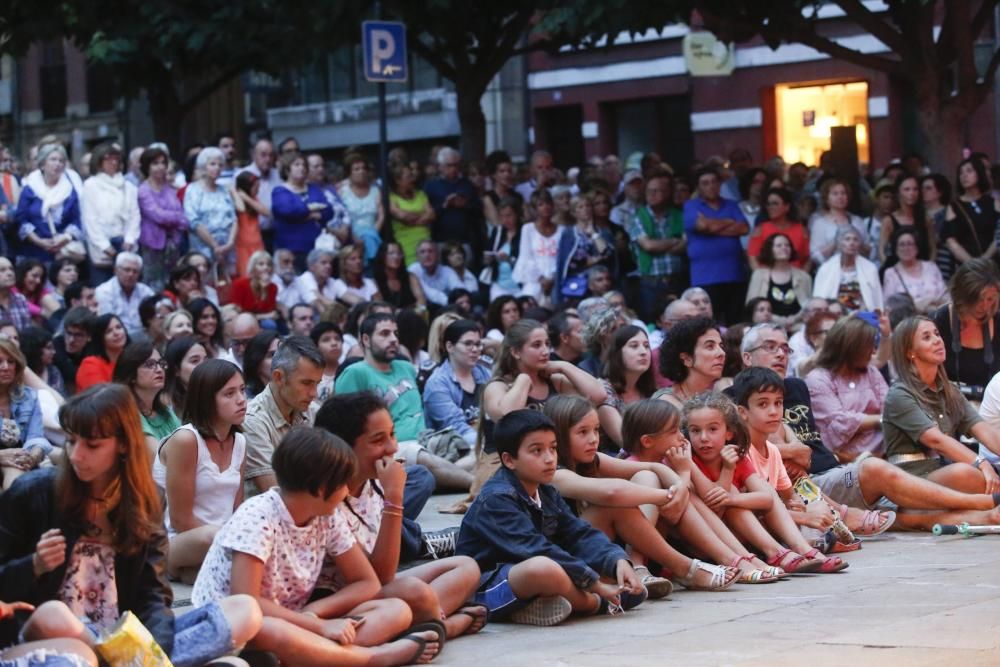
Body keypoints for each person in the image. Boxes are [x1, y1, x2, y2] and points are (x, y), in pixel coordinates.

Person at [0, 384, 262, 666]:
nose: (76, 455)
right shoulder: (34, 494)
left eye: (92, 445)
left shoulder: (141, 503)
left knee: (244, 610)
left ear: (123, 444)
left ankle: (142, 661)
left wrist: (153, 649)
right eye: (71, 441)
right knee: (55, 616)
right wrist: (34, 565)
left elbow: (152, 596)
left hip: (122, 639)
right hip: (55, 641)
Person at [191, 426, 443, 666]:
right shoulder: (257, 517)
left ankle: (308, 656)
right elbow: (246, 602)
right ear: (322, 488)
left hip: (295, 618)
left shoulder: (326, 515)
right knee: (271, 629)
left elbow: (366, 582)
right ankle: (375, 657)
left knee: (396, 611)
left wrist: (314, 614)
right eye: (343, 484)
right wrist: (320, 627)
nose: (346, 492)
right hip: (236, 623)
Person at [742, 322, 1000, 532]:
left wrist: (798, 451)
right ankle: (983, 504)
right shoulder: (748, 396)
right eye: (771, 347)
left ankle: (989, 516)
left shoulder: (796, 387)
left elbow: (806, 451)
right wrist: (981, 462)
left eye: (785, 348)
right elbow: (836, 428)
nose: (780, 354)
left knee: (920, 511)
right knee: (886, 471)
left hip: (843, 471)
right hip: (844, 475)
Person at [314, 393, 485, 640]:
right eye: (378, 440)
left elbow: (386, 578)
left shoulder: (371, 484)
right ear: (343, 447)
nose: (393, 447)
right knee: (415, 592)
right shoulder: (327, 500)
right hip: (340, 600)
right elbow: (380, 576)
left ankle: (426, 622)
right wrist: (394, 498)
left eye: (392, 435)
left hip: (379, 589)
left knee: (466, 567)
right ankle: (442, 627)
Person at [457, 409, 646, 626]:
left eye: (553, 448)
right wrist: (595, 585)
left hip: (533, 575)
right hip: (484, 589)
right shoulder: (496, 499)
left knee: (632, 588)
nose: (549, 459)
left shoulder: (546, 490)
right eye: (537, 451)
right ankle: (595, 604)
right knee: (543, 568)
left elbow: (577, 533)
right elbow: (536, 548)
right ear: (509, 460)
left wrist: (617, 560)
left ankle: (536, 605)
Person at [547, 395, 744, 594]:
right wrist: (668, 493)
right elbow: (612, 493)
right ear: (559, 436)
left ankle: (729, 558)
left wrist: (678, 479)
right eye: (583, 432)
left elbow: (651, 468)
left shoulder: (592, 459)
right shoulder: (555, 474)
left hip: (602, 548)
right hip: (569, 558)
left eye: (596, 430)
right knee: (614, 506)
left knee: (646, 475)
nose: (593, 439)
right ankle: (685, 567)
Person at [684, 391, 843, 574]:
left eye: (712, 429)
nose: (703, 438)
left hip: (742, 535)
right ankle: (776, 553)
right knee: (734, 493)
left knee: (747, 493)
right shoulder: (689, 461)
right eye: (695, 430)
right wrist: (728, 475)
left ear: (728, 432)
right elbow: (714, 505)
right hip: (710, 543)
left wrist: (731, 498)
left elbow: (767, 498)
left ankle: (802, 549)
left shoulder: (737, 457)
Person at [335, 314, 473, 491]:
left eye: (395, 333)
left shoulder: (406, 367)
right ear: (366, 340)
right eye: (385, 334)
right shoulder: (355, 373)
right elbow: (343, 426)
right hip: (391, 447)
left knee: (477, 454)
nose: (393, 339)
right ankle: (475, 484)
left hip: (428, 441)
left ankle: (444, 478)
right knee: (422, 458)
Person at [475, 319, 607, 494]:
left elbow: (598, 396)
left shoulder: (554, 381)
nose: (545, 351)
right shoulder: (498, 386)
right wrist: (523, 380)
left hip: (548, 458)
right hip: (507, 465)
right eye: (536, 345)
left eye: (547, 344)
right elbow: (508, 417)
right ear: (515, 352)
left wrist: (563, 366)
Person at [154, 359, 247, 582]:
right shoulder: (186, 440)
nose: (241, 400)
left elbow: (238, 510)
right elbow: (180, 520)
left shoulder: (240, 441)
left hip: (223, 541)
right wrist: (234, 544)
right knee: (211, 536)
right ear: (207, 400)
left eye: (243, 390)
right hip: (182, 540)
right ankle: (189, 569)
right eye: (229, 394)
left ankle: (200, 573)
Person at [883, 316, 1000, 492]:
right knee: (967, 473)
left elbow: (983, 430)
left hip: (945, 472)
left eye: (937, 334)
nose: (937, 340)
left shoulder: (950, 390)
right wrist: (981, 463)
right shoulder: (899, 394)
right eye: (927, 337)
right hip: (910, 480)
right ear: (910, 352)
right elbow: (936, 440)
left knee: (970, 474)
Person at [243, 335, 322, 495]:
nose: (314, 393)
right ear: (278, 377)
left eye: (317, 383)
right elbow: (276, 494)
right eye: (306, 383)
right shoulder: (252, 420)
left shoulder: (313, 410)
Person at [804, 315, 888, 461]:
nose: (874, 352)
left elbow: (890, 407)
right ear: (852, 347)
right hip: (846, 461)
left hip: (887, 452)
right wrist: (881, 420)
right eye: (869, 345)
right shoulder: (817, 379)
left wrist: (885, 419)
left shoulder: (871, 371)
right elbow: (838, 423)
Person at [683, 168, 748, 325]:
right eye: (705, 183)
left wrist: (711, 224)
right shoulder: (691, 206)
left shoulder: (731, 204)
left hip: (733, 273)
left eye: (714, 182)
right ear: (698, 187)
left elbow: (744, 228)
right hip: (705, 275)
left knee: (735, 322)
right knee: (707, 324)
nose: (711, 186)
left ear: (719, 184)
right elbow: (703, 226)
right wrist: (729, 221)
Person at [932, 257, 1000, 392]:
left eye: (990, 299)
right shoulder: (938, 322)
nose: (985, 306)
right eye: (979, 299)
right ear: (962, 296)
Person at [423, 320, 490, 457]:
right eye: (468, 344)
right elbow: (456, 428)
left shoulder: (484, 373)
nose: (475, 349)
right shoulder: (437, 384)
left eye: (478, 344)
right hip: (455, 451)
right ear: (450, 347)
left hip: (486, 442)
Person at [81, 143, 140, 284]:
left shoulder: (129, 187)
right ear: (99, 162)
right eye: (108, 159)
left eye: (116, 159)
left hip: (125, 244)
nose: (113, 163)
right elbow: (90, 219)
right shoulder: (91, 185)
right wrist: (104, 246)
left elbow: (134, 216)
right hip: (102, 248)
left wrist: (130, 239)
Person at [14, 144, 82, 263]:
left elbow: (76, 220)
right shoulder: (30, 188)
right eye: (53, 159)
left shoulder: (70, 190)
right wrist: (38, 241)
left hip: (62, 253)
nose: (58, 164)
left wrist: (65, 238)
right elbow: (21, 219)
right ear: (42, 164)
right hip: (33, 252)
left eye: (61, 161)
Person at [0, 338, 51, 491]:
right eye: (0, 362)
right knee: (17, 484)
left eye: (11, 362)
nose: (5, 367)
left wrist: (34, 455)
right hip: (7, 457)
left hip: (20, 458)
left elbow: (35, 436)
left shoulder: (29, 396)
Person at [112, 341, 180, 455]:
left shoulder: (165, 412)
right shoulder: (127, 411)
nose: (159, 369)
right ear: (131, 374)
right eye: (150, 364)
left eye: (161, 363)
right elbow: (157, 457)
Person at [137, 146, 188, 291]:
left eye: (163, 163)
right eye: (155, 163)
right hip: (152, 245)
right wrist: (175, 218)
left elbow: (184, 220)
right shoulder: (143, 190)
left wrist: (174, 218)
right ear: (147, 166)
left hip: (173, 245)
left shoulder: (171, 189)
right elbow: (157, 215)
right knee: (154, 284)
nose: (160, 167)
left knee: (174, 282)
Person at [271, 151, 333, 270]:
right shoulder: (280, 191)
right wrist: (311, 208)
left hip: (316, 249)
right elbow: (288, 211)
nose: (302, 168)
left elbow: (329, 211)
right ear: (287, 169)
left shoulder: (313, 188)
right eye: (297, 164)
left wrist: (312, 216)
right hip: (291, 250)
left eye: (304, 165)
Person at [184, 147, 237, 276]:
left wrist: (229, 244)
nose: (217, 168)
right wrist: (215, 246)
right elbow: (194, 221)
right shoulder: (193, 190)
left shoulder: (224, 190)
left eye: (220, 165)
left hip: (226, 250)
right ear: (203, 166)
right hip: (203, 249)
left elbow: (234, 219)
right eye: (212, 164)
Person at [745, 233, 812, 330]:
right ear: (770, 249)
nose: (784, 248)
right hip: (766, 327)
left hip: (798, 328)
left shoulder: (804, 277)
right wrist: (781, 321)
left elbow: (809, 306)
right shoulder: (758, 275)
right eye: (779, 245)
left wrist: (792, 320)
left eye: (787, 245)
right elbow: (752, 307)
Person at [424, 147, 482, 258]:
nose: (453, 169)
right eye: (449, 165)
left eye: (456, 165)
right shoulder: (430, 186)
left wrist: (465, 205)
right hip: (440, 241)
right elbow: (427, 215)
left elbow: (479, 210)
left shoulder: (467, 185)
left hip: (464, 242)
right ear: (440, 166)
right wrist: (444, 205)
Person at [655, 316, 726, 408]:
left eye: (721, 346)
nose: (722, 353)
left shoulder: (718, 399)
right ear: (686, 359)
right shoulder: (665, 405)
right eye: (710, 346)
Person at [941, 157, 1000, 266]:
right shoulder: (954, 206)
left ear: (979, 173)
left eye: (969, 171)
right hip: (967, 267)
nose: (964, 176)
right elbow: (951, 240)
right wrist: (971, 262)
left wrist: (986, 257)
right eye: (961, 173)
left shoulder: (994, 203)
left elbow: (998, 235)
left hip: (994, 264)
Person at [556, 194, 615, 301]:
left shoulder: (603, 232)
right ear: (574, 213)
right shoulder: (568, 234)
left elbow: (607, 253)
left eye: (588, 206)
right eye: (581, 207)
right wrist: (591, 261)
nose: (585, 209)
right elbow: (567, 262)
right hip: (577, 285)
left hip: (601, 284)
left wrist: (593, 233)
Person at [813, 226, 883, 312]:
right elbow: (819, 299)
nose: (851, 243)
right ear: (839, 243)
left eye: (855, 240)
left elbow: (876, 300)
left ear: (859, 244)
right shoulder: (826, 268)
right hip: (833, 314)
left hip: (861, 315)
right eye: (847, 239)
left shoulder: (870, 269)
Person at [512, 189, 563, 305]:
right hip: (534, 278)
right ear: (535, 209)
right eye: (541, 204)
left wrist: (553, 278)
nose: (546, 207)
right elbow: (526, 257)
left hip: (556, 278)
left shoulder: (562, 230)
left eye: (548, 203)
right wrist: (541, 279)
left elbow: (562, 258)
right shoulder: (528, 229)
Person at [881, 228, 948, 313]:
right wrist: (920, 305)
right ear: (896, 249)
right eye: (902, 244)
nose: (906, 248)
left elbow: (945, 296)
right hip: (908, 322)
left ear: (917, 247)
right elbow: (889, 305)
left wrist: (930, 301)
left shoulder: (931, 267)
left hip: (937, 315)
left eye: (910, 244)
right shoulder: (890, 273)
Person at [808, 178, 870, 266]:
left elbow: (868, 249)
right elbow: (815, 255)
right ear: (826, 198)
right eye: (835, 194)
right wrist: (837, 241)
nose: (840, 197)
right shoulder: (819, 223)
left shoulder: (857, 221)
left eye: (843, 193)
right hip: (830, 269)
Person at [747, 187, 809, 271]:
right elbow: (752, 257)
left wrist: (802, 277)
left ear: (787, 207)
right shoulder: (760, 229)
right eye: (768, 204)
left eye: (775, 203)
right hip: (767, 279)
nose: (770, 207)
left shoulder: (801, 230)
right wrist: (762, 277)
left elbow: (808, 259)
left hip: (796, 279)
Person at [880, 174, 935, 268]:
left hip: (923, 271)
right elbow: (881, 250)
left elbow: (932, 248)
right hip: (898, 272)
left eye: (915, 189)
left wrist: (929, 268)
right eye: (907, 189)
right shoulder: (889, 220)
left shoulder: (925, 219)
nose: (912, 193)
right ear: (898, 193)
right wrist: (893, 271)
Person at [236, 138, 281, 252]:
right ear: (253, 155)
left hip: (275, 232)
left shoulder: (278, 175)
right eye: (263, 155)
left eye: (271, 155)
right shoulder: (242, 175)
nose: (268, 159)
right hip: (251, 235)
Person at [339, 152, 384, 264]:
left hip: (373, 235)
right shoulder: (342, 192)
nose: (362, 171)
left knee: (370, 240)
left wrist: (372, 233)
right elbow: (340, 217)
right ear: (349, 173)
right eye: (357, 169)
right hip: (351, 238)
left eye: (364, 168)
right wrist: (354, 237)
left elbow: (381, 215)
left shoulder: (376, 190)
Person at [94, 252, 154, 335]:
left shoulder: (146, 292)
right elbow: (106, 324)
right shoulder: (104, 291)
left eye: (135, 271)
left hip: (144, 339)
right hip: (116, 337)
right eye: (127, 270)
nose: (131, 274)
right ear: (115, 270)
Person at [389, 162, 434, 266]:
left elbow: (432, 215)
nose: (412, 179)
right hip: (406, 245)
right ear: (398, 180)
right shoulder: (392, 198)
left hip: (426, 242)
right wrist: (422, 215)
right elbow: (402, 216)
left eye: (412, 176)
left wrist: (412, 219)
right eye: (408, 177)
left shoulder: (420, 194)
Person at [75, 314, 127, 391]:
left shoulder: (131, 357)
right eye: (108, 331)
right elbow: (101, 399)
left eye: (118, 327)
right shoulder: (90, 364)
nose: (116, 333)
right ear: (100, 338)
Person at [228, 251, 280, 328]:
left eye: (269, 264)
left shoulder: (273, 287)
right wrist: (263, 316)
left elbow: (272, 313)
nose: (266, 268)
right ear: (253, 267)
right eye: (261, 264)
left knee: (270, 324)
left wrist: (264, 290)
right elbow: (238, 312)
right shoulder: (240, 284)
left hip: (262, 322)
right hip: (241, 321)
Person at [231, 171, 268, 278]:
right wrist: (236, 192)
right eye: (255, 187)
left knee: (261, 275)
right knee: (247, 276)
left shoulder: (253, 200)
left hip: (257, 244)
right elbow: (241, 208)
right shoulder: (235, 198)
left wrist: (247, 198)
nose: (258, 190)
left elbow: (266, 212)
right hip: (242, 246)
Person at [372, 241, 426, 311]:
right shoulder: (374, 281)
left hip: (413, 316)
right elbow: (379, 307)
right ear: (382, 256)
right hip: (387, 318)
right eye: (391, 253)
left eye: (399, 253)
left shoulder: (410, 277)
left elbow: (421, 300)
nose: (396, 257)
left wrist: (419, 310)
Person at [163, 336, 208, 416]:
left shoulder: (214, 395)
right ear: (176, 370)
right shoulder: (165, 405)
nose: (204, 365)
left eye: (205, 360)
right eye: (195, 361)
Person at [408, 241, 460, 310]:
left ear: (437, 255)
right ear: (417, 257)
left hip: (447, 307)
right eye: (422, 252)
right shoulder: (413, 270)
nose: (427, 255)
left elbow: (459, 289)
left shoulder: (447, 271)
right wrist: (450, 302)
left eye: (430, 251)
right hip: (426, 308)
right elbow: (428, 293)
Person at [310, 322, 343, 404]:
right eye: (326, 340)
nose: (334, 343)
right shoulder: (310, 377)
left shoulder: (349, 371)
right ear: (315, 346)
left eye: (337, 339)